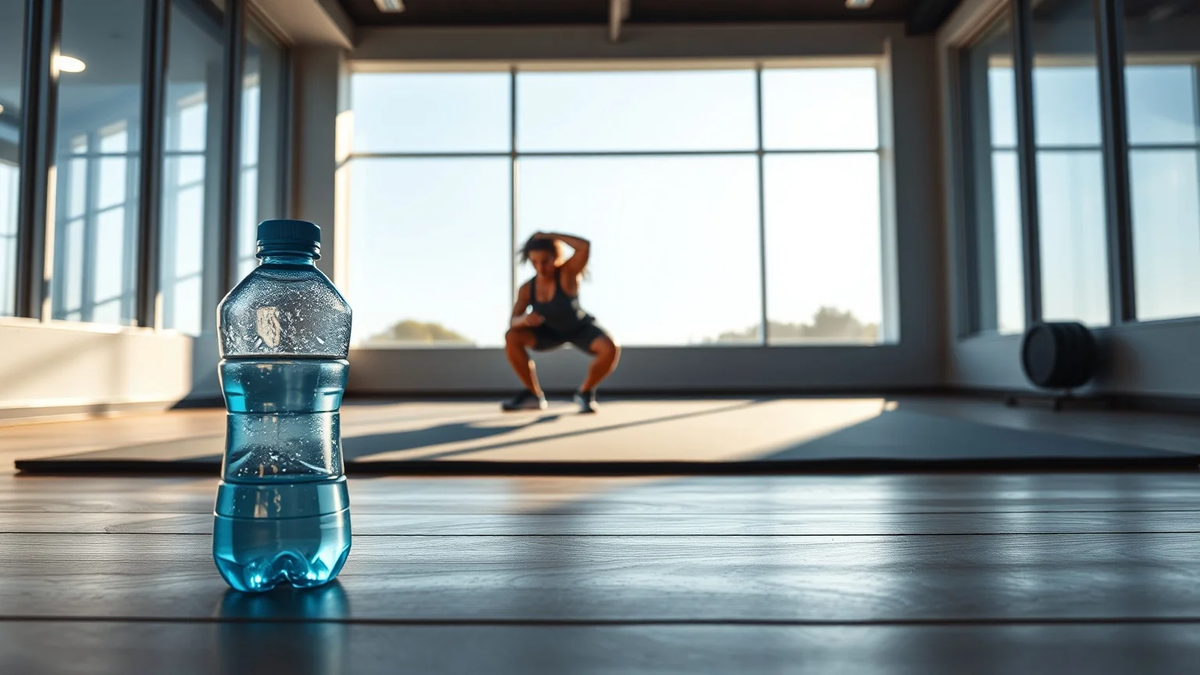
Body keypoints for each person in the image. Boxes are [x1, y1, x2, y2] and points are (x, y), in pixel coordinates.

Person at [502, 231, 620, 413]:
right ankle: (533, 395)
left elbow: (584, 246)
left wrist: (550, 235)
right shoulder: (527, 289)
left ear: (556, 257)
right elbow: (513, 322)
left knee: (610, 348)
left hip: (579, 327)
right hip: (547, 332)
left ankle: (585, 392)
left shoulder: (568, 273)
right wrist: (525, 319)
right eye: (534, 262)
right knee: (512, 336)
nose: (540, 268)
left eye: (545, 261)